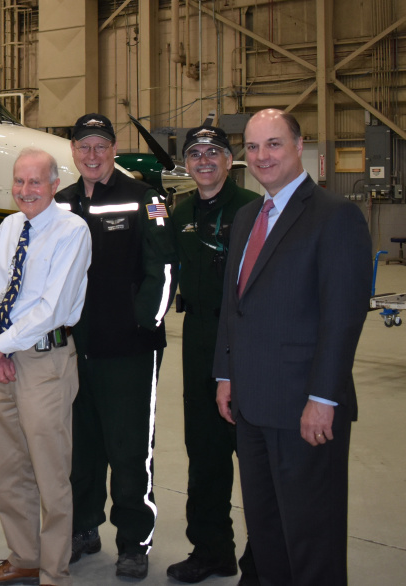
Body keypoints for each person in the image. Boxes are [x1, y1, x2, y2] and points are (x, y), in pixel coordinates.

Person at [213, 109, 371, 585]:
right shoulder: (246, 216)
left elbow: (343, 317)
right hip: (252, 406)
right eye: (254, 147)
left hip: (305, 409)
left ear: (300, 146)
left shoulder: (335, 216)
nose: (262, 156)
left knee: (311, 536)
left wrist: (324, 399)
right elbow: (232, 303)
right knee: (268, 533)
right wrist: (225, 373)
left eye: (274, 144)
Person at [55, 113, 177, 580]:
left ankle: (134, 540)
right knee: (81, 447)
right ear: (73, 151)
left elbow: (163, 269)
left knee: (129, 450)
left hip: (129, 350)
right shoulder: (62, 203)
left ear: (113, 147)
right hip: (74, 348)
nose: (91, 154)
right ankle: (84, 527)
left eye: (100, 146)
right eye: (83, 146)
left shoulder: (146, 199)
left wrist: (143, 324)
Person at [0, 148, 91, 586]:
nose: (26, 190)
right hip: (4, 359)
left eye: (35, 182)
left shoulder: (71, 230)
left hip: (45, 362)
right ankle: (23, 557)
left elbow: (52, 306)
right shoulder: (8, 226)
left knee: (50, 473)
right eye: (19, 182)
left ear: (54, 185)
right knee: (10, 468)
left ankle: (54, 572)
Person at [166, 125, 259, 584]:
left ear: (229, 159)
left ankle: (262, 561)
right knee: (204, 452)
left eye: (213, 152)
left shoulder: (253, 209)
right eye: (195, 153)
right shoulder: (179, 213)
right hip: (199, 337)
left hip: (246, 338)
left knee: (255, 456)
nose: (203, 160)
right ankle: (211, 549)